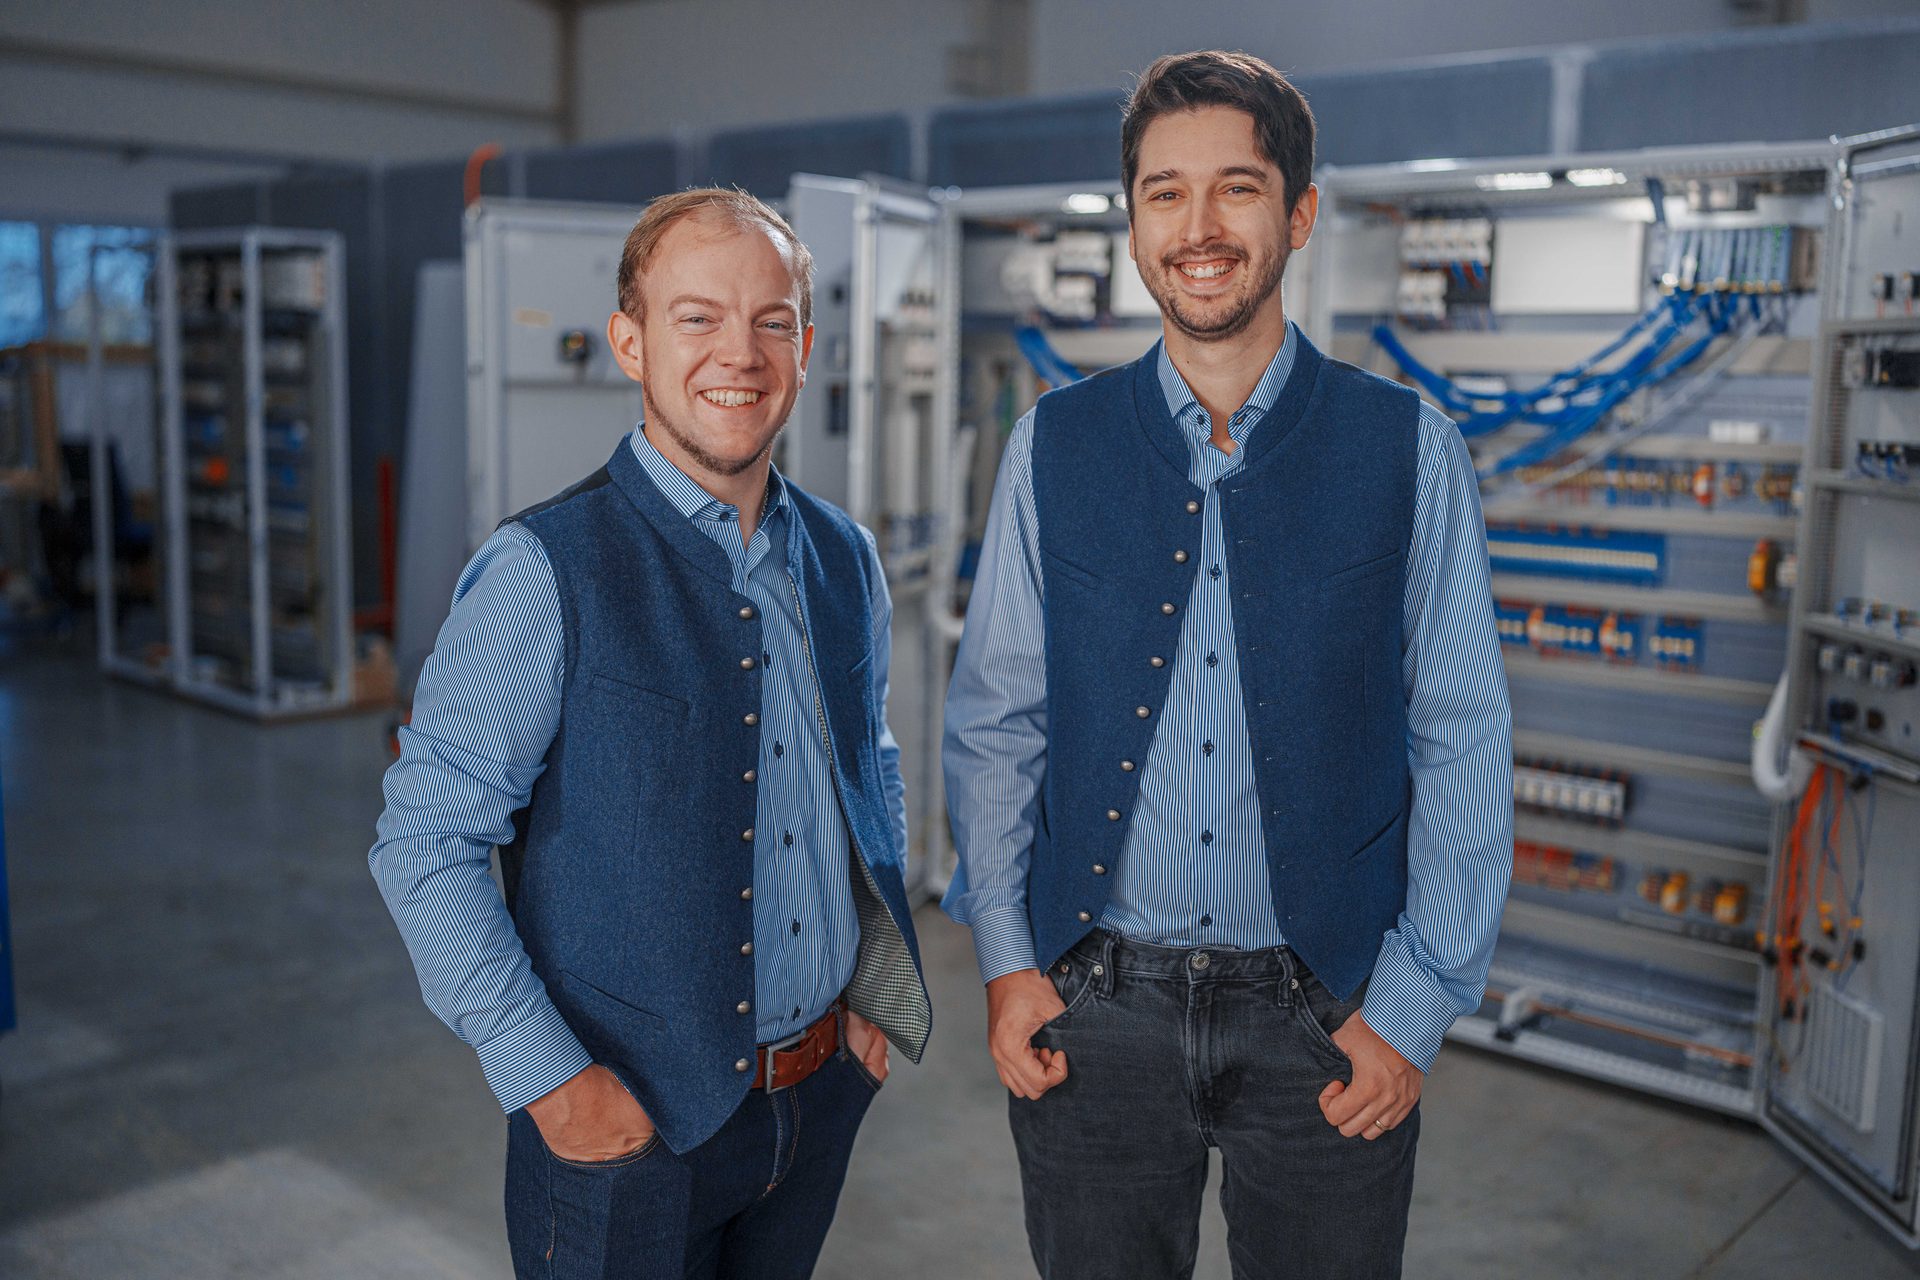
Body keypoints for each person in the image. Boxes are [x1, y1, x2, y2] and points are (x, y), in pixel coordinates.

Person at [942, 50, 1512, 1280]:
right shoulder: (1054, 446)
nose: (1198, 228)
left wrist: (1412, 1006)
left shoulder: (1410, 450)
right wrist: (1003, 961)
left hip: (1330, 1016)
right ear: (1134, 220)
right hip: (1094, 1010)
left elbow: (1462, 735)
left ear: (1299, 213)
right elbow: (998, 719)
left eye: (1238, 189)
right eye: (1163, 193)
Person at [370, 187, 931, 1280]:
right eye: (697, 317)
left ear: (807, 346)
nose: (742, 352)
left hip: (814, 1098)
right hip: (626, 1134)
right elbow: (424, 844)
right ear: (630, 341)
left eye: (773, 320)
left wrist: (870, 992)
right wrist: (550, 1081)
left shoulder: (844, 556)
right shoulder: (547, 571)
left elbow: (871, 764)